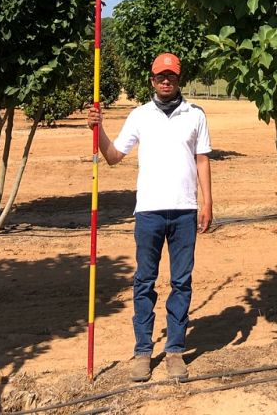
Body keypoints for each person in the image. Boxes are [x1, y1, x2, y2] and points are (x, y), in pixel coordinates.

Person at [87, 52, 213, 382]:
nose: (166, 80)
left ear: (179, 78)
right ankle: (143, 351)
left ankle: (174, 351)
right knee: (144, 282)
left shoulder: (195, 115)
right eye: (161, 76)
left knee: (181, 282)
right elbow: (113, 156)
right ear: (152, 79)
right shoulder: (140, 115)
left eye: (171, 75)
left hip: (185, 210)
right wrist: (98, 130)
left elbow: (202, 161)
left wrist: (208, 203)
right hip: (148, 212)